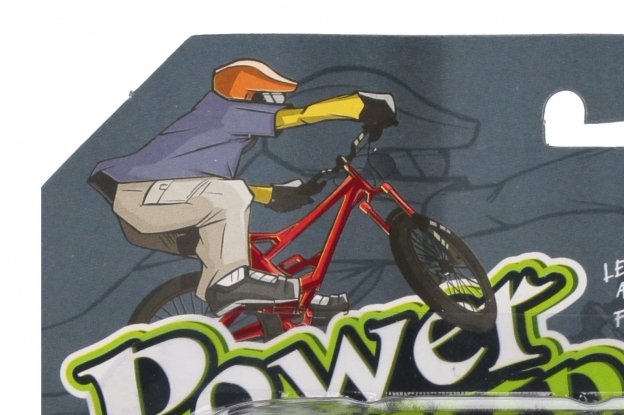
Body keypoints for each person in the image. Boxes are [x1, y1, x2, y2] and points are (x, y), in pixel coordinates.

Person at [90, 59, 398, 313]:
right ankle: (231, 282)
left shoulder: (218, 137)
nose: (280, 105)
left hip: (162, 205)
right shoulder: (226, 112)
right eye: (273, 99)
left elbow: (209, 189)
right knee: (232, 203)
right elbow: (299, 117)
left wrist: (273, 195)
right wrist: (357, 105)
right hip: (141, 197)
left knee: (241, 241)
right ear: (251, 97)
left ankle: (294, 299)